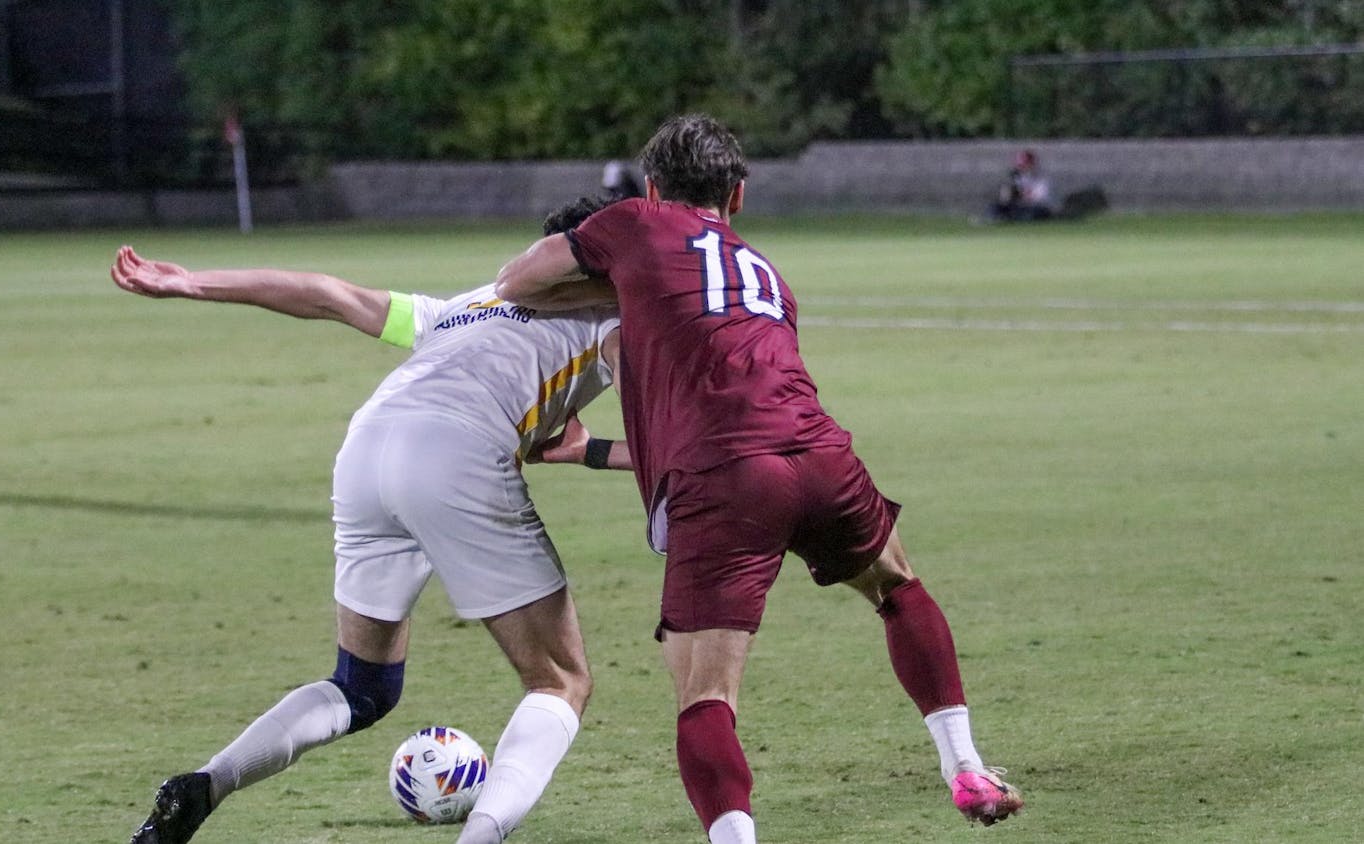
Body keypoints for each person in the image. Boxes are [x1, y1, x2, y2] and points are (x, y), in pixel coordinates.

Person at [495, 114, 1023, 842]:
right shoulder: (766, 275)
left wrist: (606, 291)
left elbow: (515, 283)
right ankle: (965, 764)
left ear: (650, 188)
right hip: (821, 455)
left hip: (728, 480)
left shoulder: (634, 221)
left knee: (705, 696)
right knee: (898, 587)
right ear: (737, 197)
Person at [114, 196, 629, 844]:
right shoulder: (612, 317)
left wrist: (191, 282)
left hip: (366, 448)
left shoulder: (472, 302)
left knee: (362, 687)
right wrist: (597, 452)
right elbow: (671, 445)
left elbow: (330, 295)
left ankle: (204, 784)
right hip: (455, 454)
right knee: (559, 680)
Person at [987, 148, 1055, 222]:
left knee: (1033, 213)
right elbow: (1006, 198)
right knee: (995, 207)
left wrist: (1022, 194)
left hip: (1037, 207)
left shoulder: (1042, 178)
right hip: (1019, 206)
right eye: (1020, 165)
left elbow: (1041, 198)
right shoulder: (1015, 178)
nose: (1021, 167)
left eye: (1024, 164)